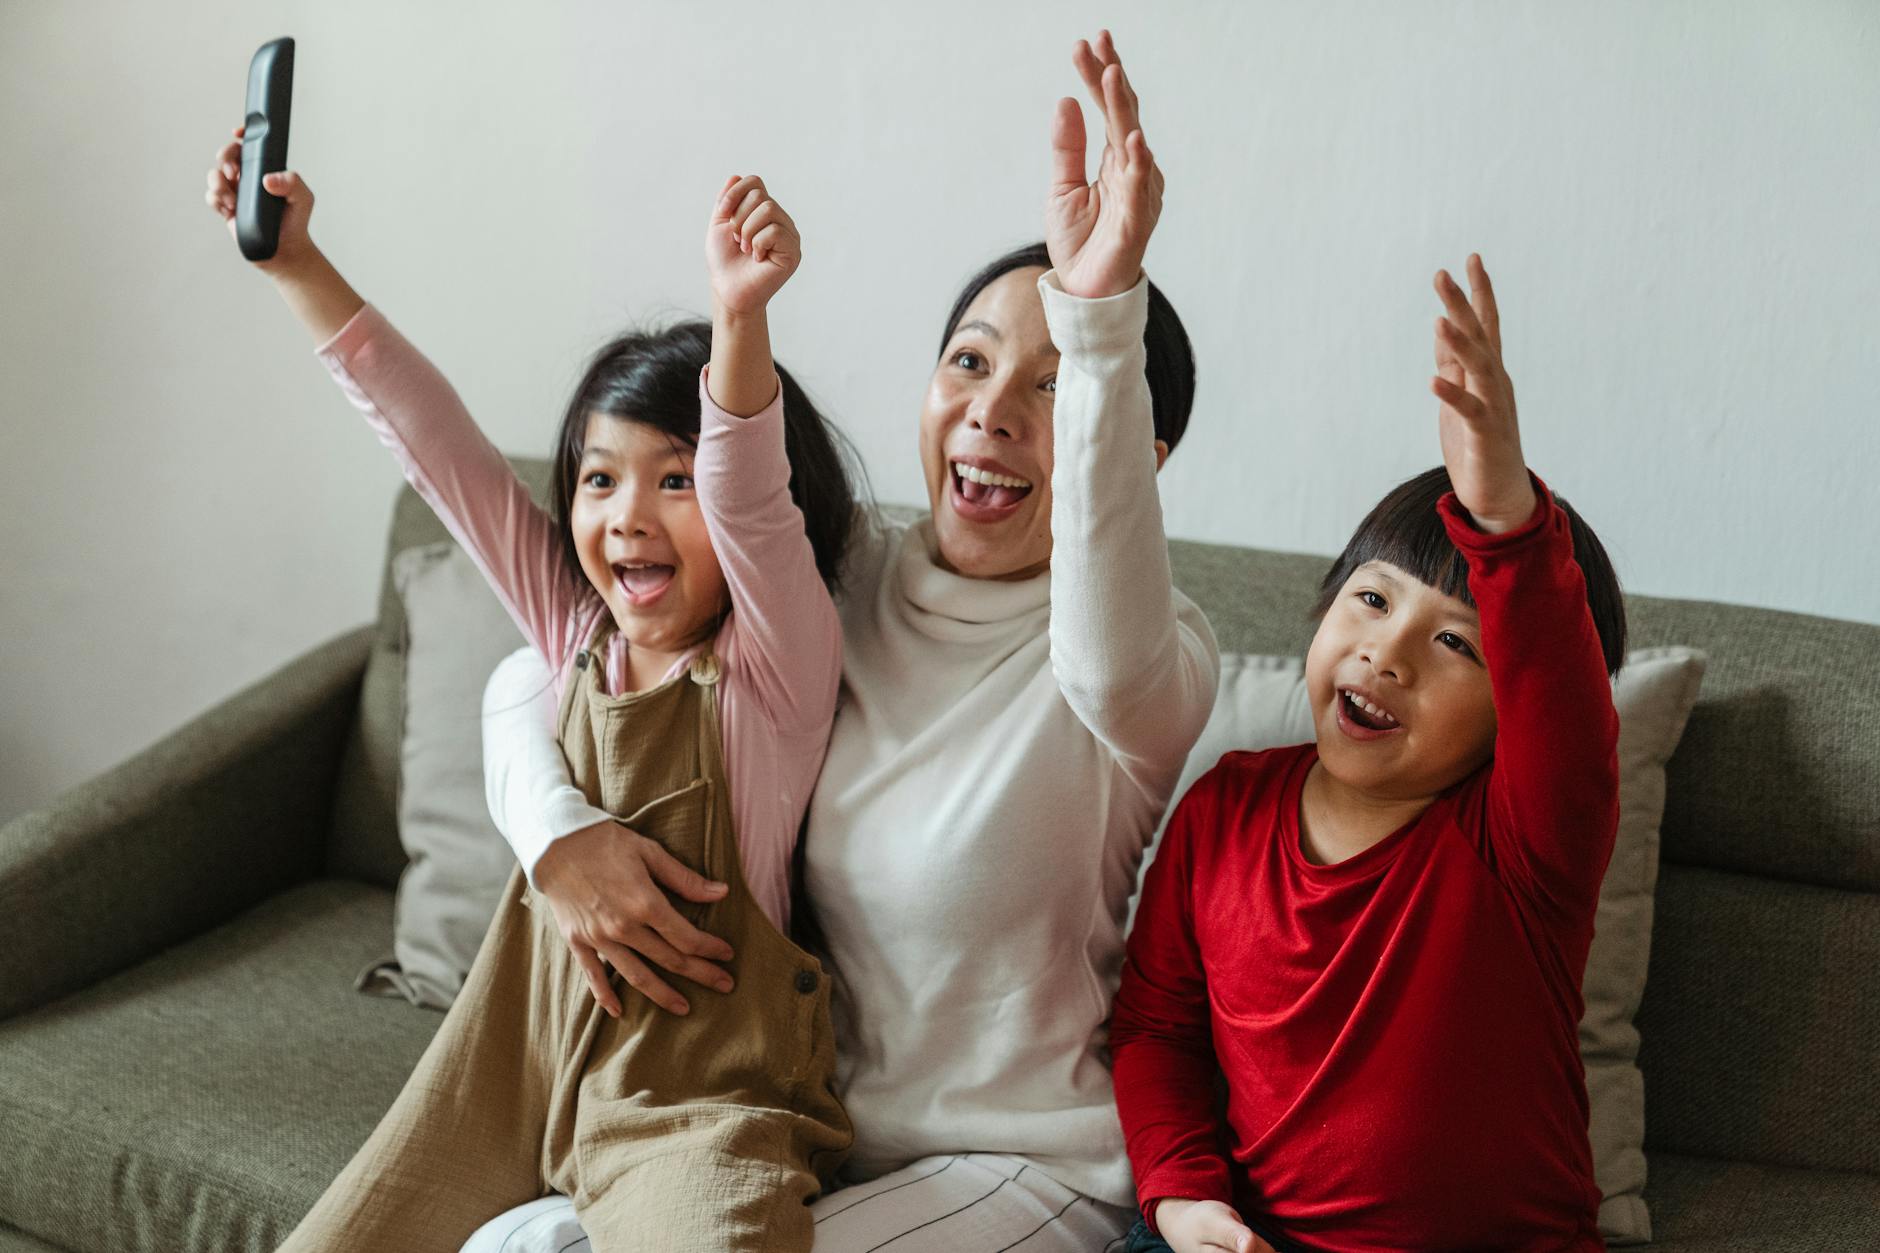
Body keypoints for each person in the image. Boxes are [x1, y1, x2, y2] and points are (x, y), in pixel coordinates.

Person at [468, 30, 1220, 1253]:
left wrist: (1103, 319)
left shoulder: (1147, 669)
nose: (988, 409)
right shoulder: (841, 584)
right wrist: (553, 829)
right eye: (968, 362)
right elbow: (544, 658)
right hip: (797, 1128)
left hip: (1025, 1167)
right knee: (510, 1244)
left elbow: (1104, 647)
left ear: (1132, 453)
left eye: (1050, 389)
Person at [205, 135, 862, 1251]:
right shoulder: (572, 635)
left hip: (695, 1110)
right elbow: (437, 448)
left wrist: (741, 320)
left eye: (673, 478)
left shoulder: (772, 674)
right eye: (600, 479)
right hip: (509, 1081)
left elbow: (750, 499)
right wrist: (297, 266)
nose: (628, 515)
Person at [1111, 256, 1627, 1253]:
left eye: (1451, 642)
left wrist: (1507, 520)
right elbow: (1155, 1027)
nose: (1384, 652)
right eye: (1372, 600)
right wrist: (1181, 1196)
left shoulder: (1523, 849)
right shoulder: (1225, 808)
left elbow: (1564, 717)